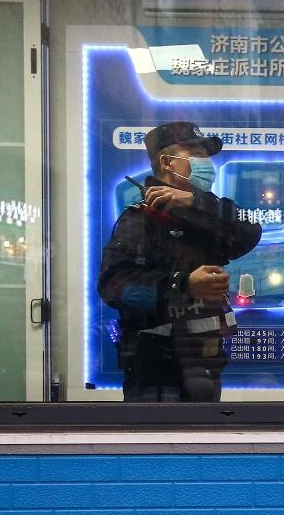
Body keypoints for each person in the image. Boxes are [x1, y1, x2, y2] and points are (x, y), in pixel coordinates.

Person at [97, 121, 262, 402]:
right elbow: (115, 287)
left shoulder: (208, 214)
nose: (205, 162)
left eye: (206, 155)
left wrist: (195, 203)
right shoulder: (140, 220)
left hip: (207, 367)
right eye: (195, 153)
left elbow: (250, 229)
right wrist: (184, 285)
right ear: (166, 162)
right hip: (157, 376)